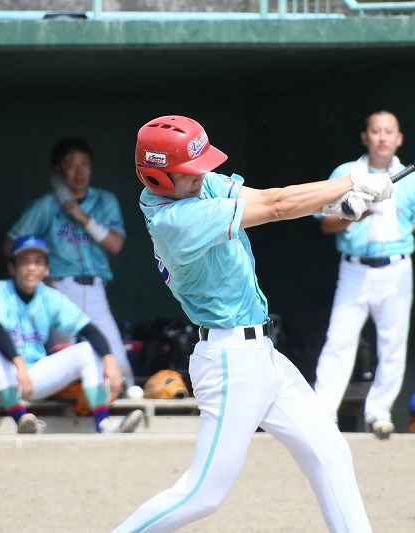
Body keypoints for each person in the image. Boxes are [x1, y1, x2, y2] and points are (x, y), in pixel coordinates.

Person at [113, 115, 393, 532]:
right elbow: (276, 207)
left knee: (330, 451)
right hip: (230, 360)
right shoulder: (177, 219)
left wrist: (332, 203)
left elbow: (265, 197)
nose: (201, 175)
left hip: (263, 354)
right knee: (203, 494)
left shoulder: (193, 184)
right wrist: (352, 182)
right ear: (157, 177)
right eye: (190, 170)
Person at [314, 110, 415, 439]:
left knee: (392, 343)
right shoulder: (346, 174)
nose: (382, 137)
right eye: (376, 131)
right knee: (339, 340)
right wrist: (355, 214)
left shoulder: (411, 179)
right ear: (365, 137)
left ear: (399, 139)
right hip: (354, 268)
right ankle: (324, 415)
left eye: (389, 132)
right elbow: (326, 224)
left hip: (397, 268)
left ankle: (378, 411)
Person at [0, 235, 144, 434]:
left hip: (29, 379)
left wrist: (110, 360)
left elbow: (89, 329)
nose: (32, 268)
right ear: (12, 267)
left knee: (88, 350)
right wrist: (19, 364)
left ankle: (103, 424)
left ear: (47, 269)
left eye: (38, 262)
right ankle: (22, 420)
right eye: (24, 261)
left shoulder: (51, 298)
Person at [3, 137, 134, 389]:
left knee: (116, 357)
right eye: (71, 164)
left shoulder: (104, 200)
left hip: (95, 290)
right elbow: (10, 244)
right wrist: (39, 278)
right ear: (59, 169)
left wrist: (80, 216)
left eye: (84, 163)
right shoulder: (46, 205)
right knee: (63, 355)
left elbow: (115, 244)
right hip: (60, 289)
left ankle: (123, 401)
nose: (79, 170)